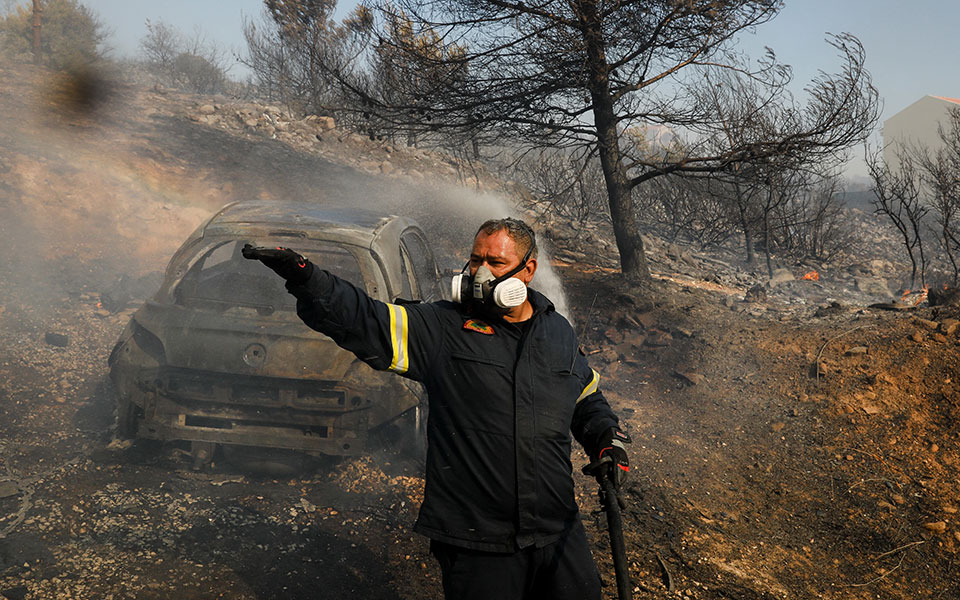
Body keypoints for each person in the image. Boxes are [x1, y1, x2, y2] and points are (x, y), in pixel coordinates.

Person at [243, 217, 630, 600]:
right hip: (478, 540)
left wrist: (606, 439)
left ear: (528, 270)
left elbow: (586, 397)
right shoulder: (443, 328)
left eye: (494, 263)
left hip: (556, 528)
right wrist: (308, 279)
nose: (480, 273)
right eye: (475, 260)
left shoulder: (557, 332)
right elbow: (366, 318)